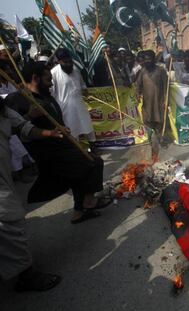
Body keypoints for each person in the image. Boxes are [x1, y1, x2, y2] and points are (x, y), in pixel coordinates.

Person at [5, 62, 109, 224]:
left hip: (62, 144)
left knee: (80, 172)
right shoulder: (17, 100)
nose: (52, 83)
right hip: (47, 151)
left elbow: (56, 119)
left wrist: (63, 128)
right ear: (35, 78)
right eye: (48, 80)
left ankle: (79, 211)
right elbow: (10, 129)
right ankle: (88, 202)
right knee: (92, 162)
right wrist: (30, 116)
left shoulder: (46, 96)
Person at [0, 97, 62, 291]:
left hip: (3, 174)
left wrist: (50, 132)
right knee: (7, 221)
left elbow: (24, 127)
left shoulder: (3, 110)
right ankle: (26, 275)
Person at [51, 48, 96, 147]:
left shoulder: (75, 69)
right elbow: (52, 93)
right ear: (59, 61)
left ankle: (93, 147)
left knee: (87, 126)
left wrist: (85, 90)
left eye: (70, 61)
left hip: (80, 105)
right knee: (72, 130)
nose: (68, 64)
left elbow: (82, 84)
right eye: (65, 62)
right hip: (65, 108)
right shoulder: (54, 73)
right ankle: (79, 151)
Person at [136, 50, 168, 160]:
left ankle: (158, 144)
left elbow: (166, 86)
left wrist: (165, 99)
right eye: (145, 59)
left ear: (154, 59)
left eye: (149, 59)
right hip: (147, 104)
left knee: (159, 124)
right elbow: (138, 85)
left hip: (159, 102)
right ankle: (151, 144)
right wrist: (137, 95)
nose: (147, 61)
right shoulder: (142, 71)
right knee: (148, 124)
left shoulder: (161, 71)